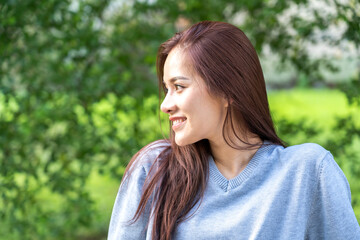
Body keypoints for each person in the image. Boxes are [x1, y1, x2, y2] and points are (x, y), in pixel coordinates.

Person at [108, 21, 360, 240]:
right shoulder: (154, 168)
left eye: (179, 87)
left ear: (227, 90)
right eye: (166, 89)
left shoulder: (307, 172)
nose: (165, 105)